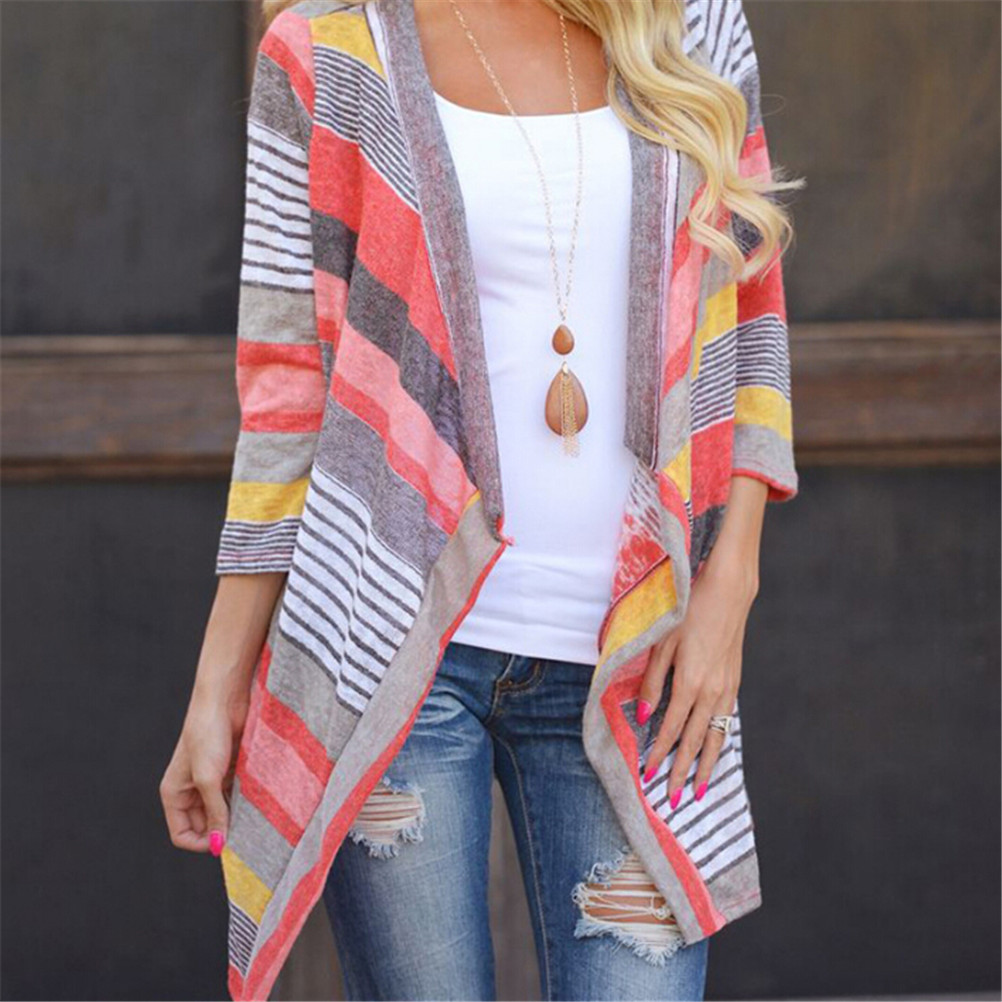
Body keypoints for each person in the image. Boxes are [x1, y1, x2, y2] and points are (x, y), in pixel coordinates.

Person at [160, 1, 803, 999]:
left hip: (638, 653)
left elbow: (752, 320)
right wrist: (218, 687)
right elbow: (287, 391)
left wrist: (731, 588)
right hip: (391, 653)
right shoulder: (330, 49)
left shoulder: (689, 23)